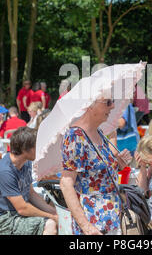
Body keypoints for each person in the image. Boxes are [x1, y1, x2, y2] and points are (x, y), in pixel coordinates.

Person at [60, 97, 132, 235]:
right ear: (89, 105)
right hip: (94, 220)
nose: (112, 107)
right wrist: (86, 226)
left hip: (112, 216)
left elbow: (98, 173)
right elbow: (66, 183)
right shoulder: (75, 136)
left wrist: (119, 164)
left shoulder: (98, 132)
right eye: (108, 102)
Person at [0, 127, 58, 235]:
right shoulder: (5, 171)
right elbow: (22, 209)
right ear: (25, 149)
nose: (40, 149)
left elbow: (30, 194)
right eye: (36, 146)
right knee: (50, 224)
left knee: (56, 216)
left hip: (17, 214)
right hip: (4, 221)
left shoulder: (26, 163)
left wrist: (54, 211)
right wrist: (51, 216)